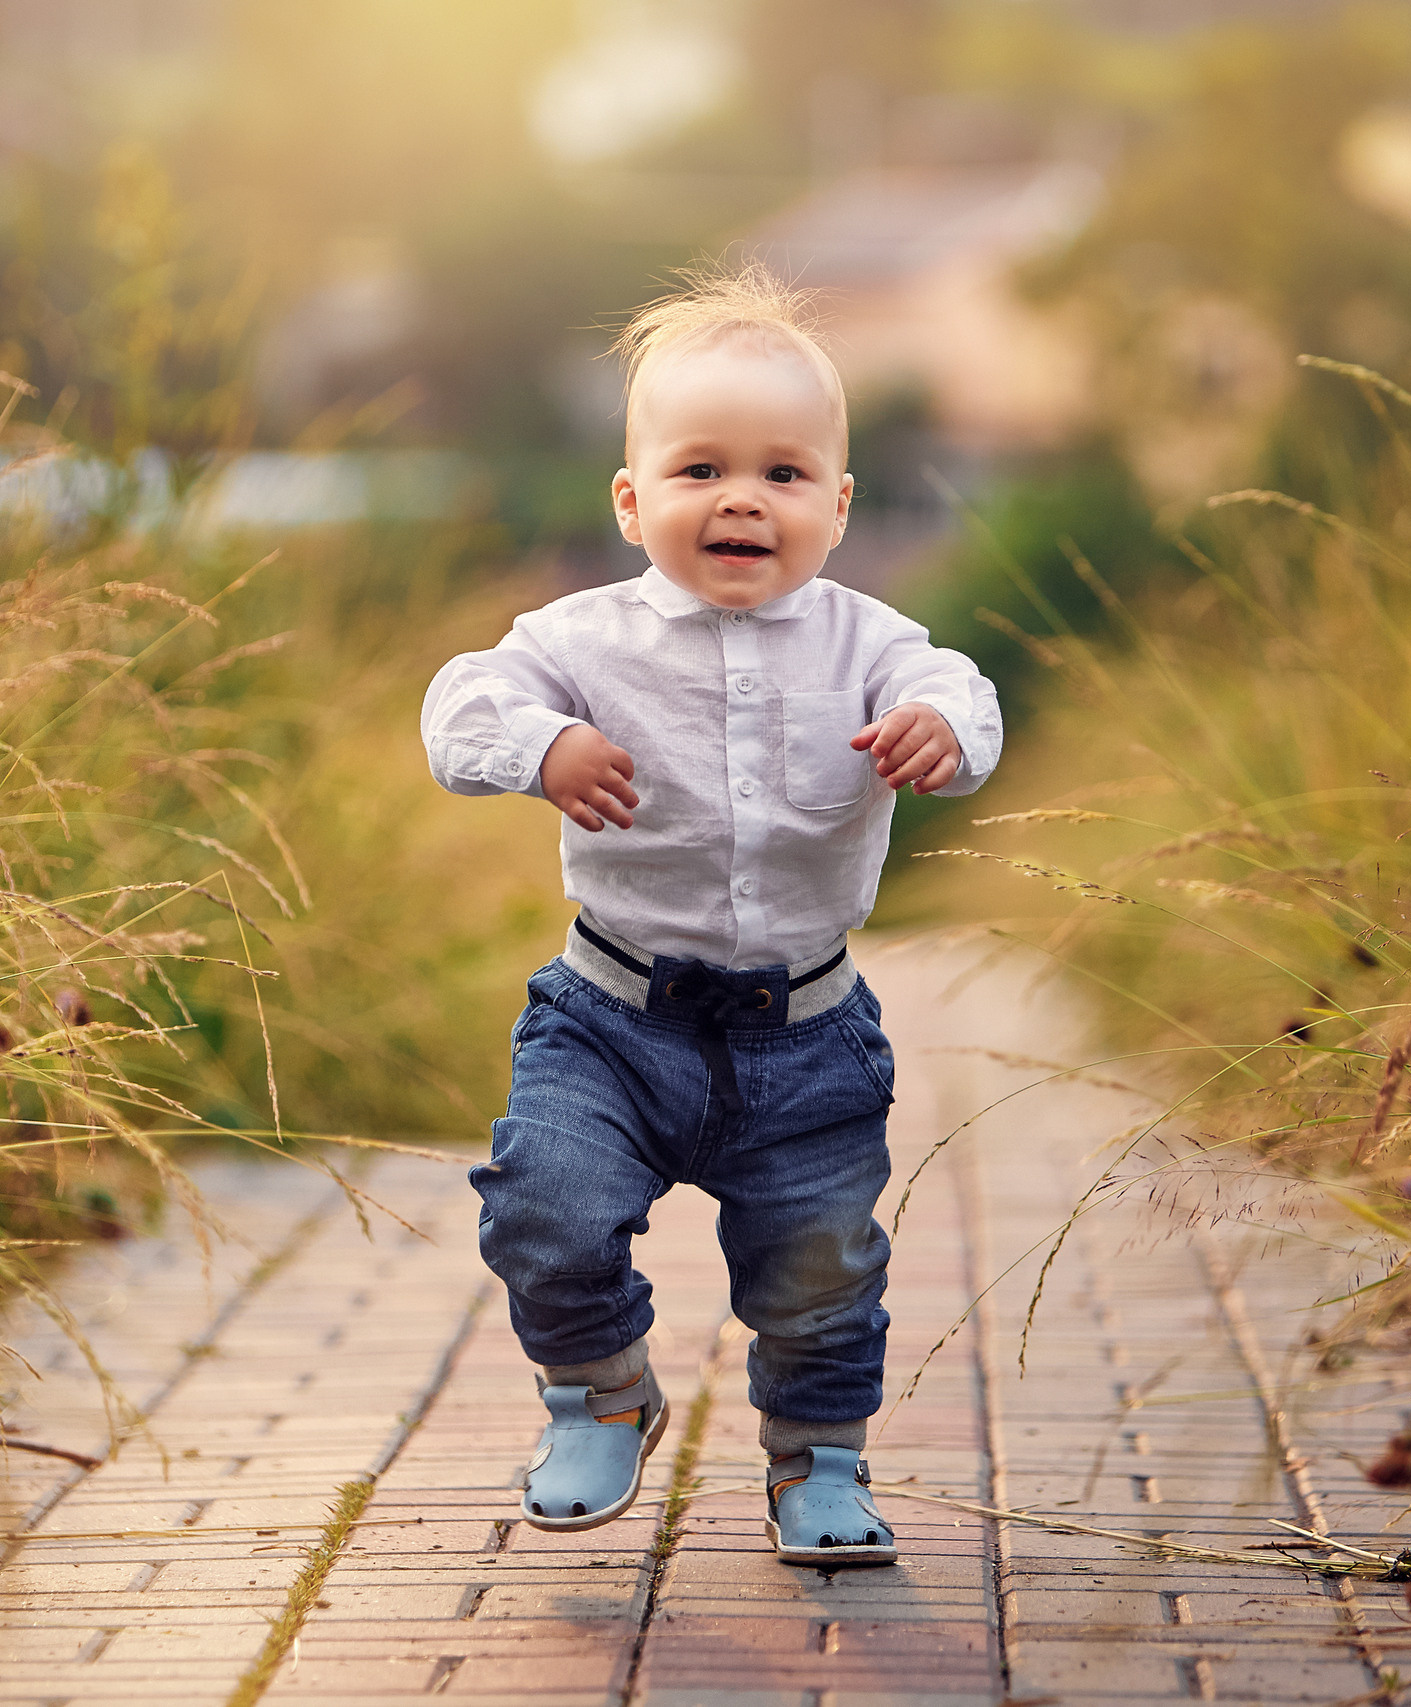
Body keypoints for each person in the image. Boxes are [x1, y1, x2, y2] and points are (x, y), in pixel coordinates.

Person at [418, 263, 1001, 1566]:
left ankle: (819, 1467)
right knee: (544, 1207)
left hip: (805, 1034)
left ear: (838, 506)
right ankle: (600, 1389)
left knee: (821, 1275)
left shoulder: (873, 642)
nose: (743, 497)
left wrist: (940, 732)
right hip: (610, 1019)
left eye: (785, 475)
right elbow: (458, 705)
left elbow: (967, 693)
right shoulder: (579, 637)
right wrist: (543, 742)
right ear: (633, 500)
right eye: (700, 470)